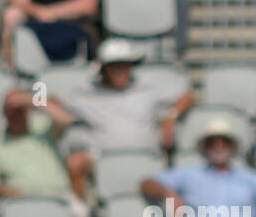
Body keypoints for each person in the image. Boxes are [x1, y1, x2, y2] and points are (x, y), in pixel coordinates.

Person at [51, 37, 193, 199]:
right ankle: (81, 214)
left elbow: (188, 96)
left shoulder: (149, 87)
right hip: (101, 158)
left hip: (147, 157)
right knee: (76, 163)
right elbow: (53, 100)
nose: (121, 70)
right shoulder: (86, 93)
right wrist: (54, 113)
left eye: (125, 65)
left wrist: (170, 117)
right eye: (114, 66)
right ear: (103, 69)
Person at [140, 119, 256, 217]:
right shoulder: (188, 174)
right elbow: (146, 184)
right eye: (212, 142)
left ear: (233, 147)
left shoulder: (250, 177)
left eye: (224, 142)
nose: (218, 146)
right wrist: (168, 193)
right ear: (204, 148)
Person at [0, 88, 88, 217]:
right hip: (20, 200)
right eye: (11, 110)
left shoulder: (43, 129)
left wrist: (31, 100)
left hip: (59, 196)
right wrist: (18, 195)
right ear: (4, 113)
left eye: (20, 110)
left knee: (81, 214)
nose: (15, 114)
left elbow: (65, 120)